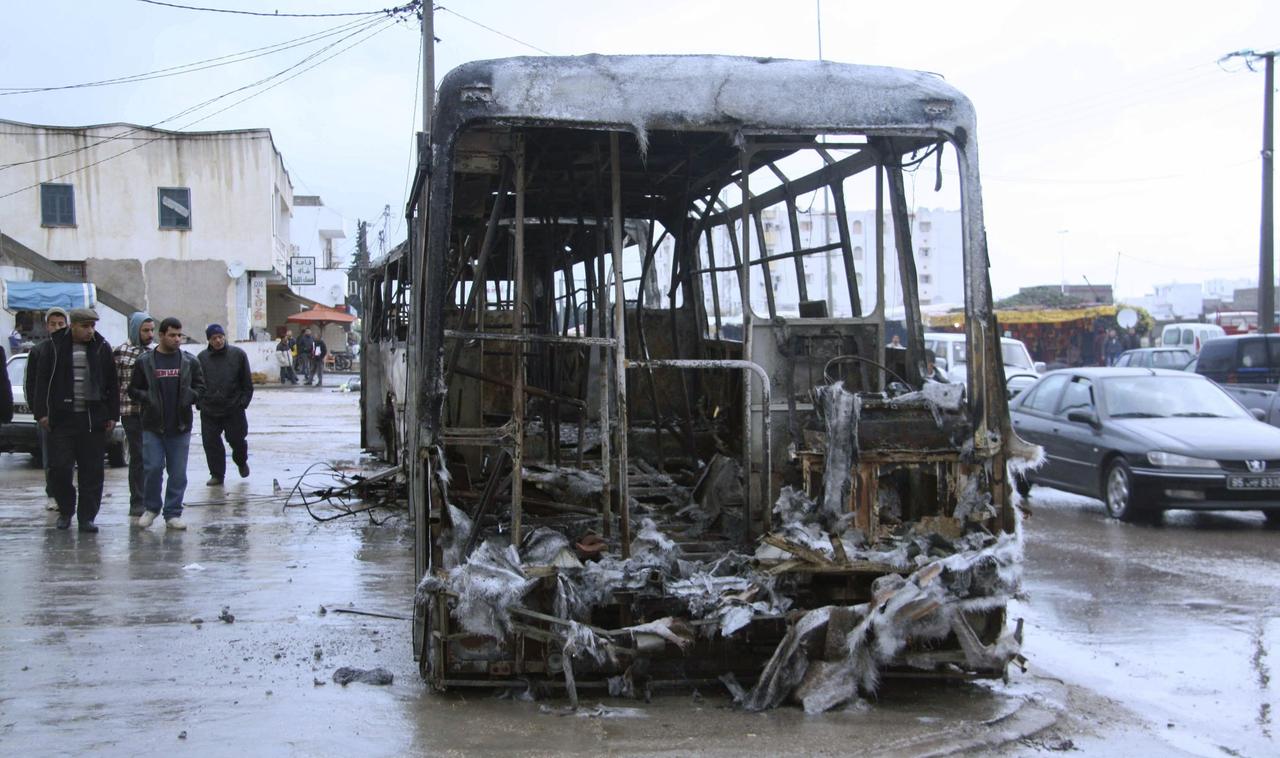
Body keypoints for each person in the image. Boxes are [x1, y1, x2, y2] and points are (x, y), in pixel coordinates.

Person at [29, 308, 118, 532]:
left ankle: (87, 517)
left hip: (91, 420)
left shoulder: (101, 347)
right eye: (85, 326)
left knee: (92, 471)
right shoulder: (54, 347)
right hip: (61, 420)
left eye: (93, 326)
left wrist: (111, 415)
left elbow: (111, 384)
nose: (90, 331)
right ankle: (66, 511)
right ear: (73, 325)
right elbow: (41, 383)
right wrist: (41, 413)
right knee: (59, 468)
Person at [129, 317, 204, 531]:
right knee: (152, 468)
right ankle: (151, 508)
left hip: (180, 426)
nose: (177, 339)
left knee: (178, 472)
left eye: (179, 335)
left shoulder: (189, 361)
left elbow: (201, 387)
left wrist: (191, 396)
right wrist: (148, 398)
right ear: (161, 336)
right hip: (153, 425)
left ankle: (173, 513)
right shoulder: (145, 361)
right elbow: (133, 390)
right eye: (172, 335)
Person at [197, 324, 253, 486]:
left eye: (220, 337)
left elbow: (247, 383)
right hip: (209, 409)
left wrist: (243, 402)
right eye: (214, 338)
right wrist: (200, 402)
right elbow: (197, 383)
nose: (218, 341)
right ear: (209, 340)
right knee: (211, 443)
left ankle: (241, 462)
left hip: (233, 408)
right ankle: (217, 474)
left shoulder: (238, 355)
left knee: (237, 440)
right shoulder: (202, 359)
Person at [25, 307, 69, 511]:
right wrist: (39, 412)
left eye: (61, 324)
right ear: (46, 326)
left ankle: (67, 494)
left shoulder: (72, 349)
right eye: (53, 324)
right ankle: (52, 494)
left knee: (69, 457)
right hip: (48, 416)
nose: (57, 328)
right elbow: (31, 385)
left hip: (71, 413)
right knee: (50, 457)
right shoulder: (39, 350)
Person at [113, 312, 154, 526]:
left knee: (152, 457)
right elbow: (114, 383)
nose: (149, 334)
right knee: (138, 455)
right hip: (130, 411)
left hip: (152, 412)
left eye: (151, 330)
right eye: (145, 330)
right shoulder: (121, 352)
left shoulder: (154, 352)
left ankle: (151, 499)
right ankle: (137, 501)